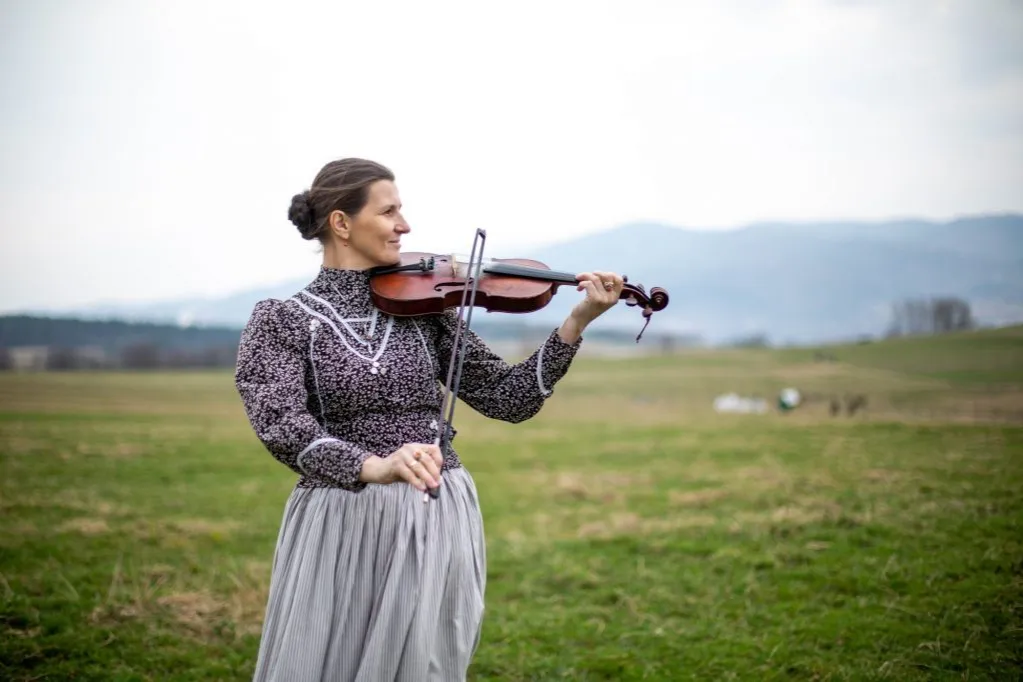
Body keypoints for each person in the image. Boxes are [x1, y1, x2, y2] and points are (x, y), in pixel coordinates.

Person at [234, 157, 624, 682]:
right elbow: (283, 428)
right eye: (390, 211)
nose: (405, 225)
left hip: (435, 511)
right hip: (342, 516)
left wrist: (575, 323)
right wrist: (374, 466)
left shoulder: (425, 311)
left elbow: (510, 399)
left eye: (403, 210)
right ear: (341, 223)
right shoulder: (281, 321)